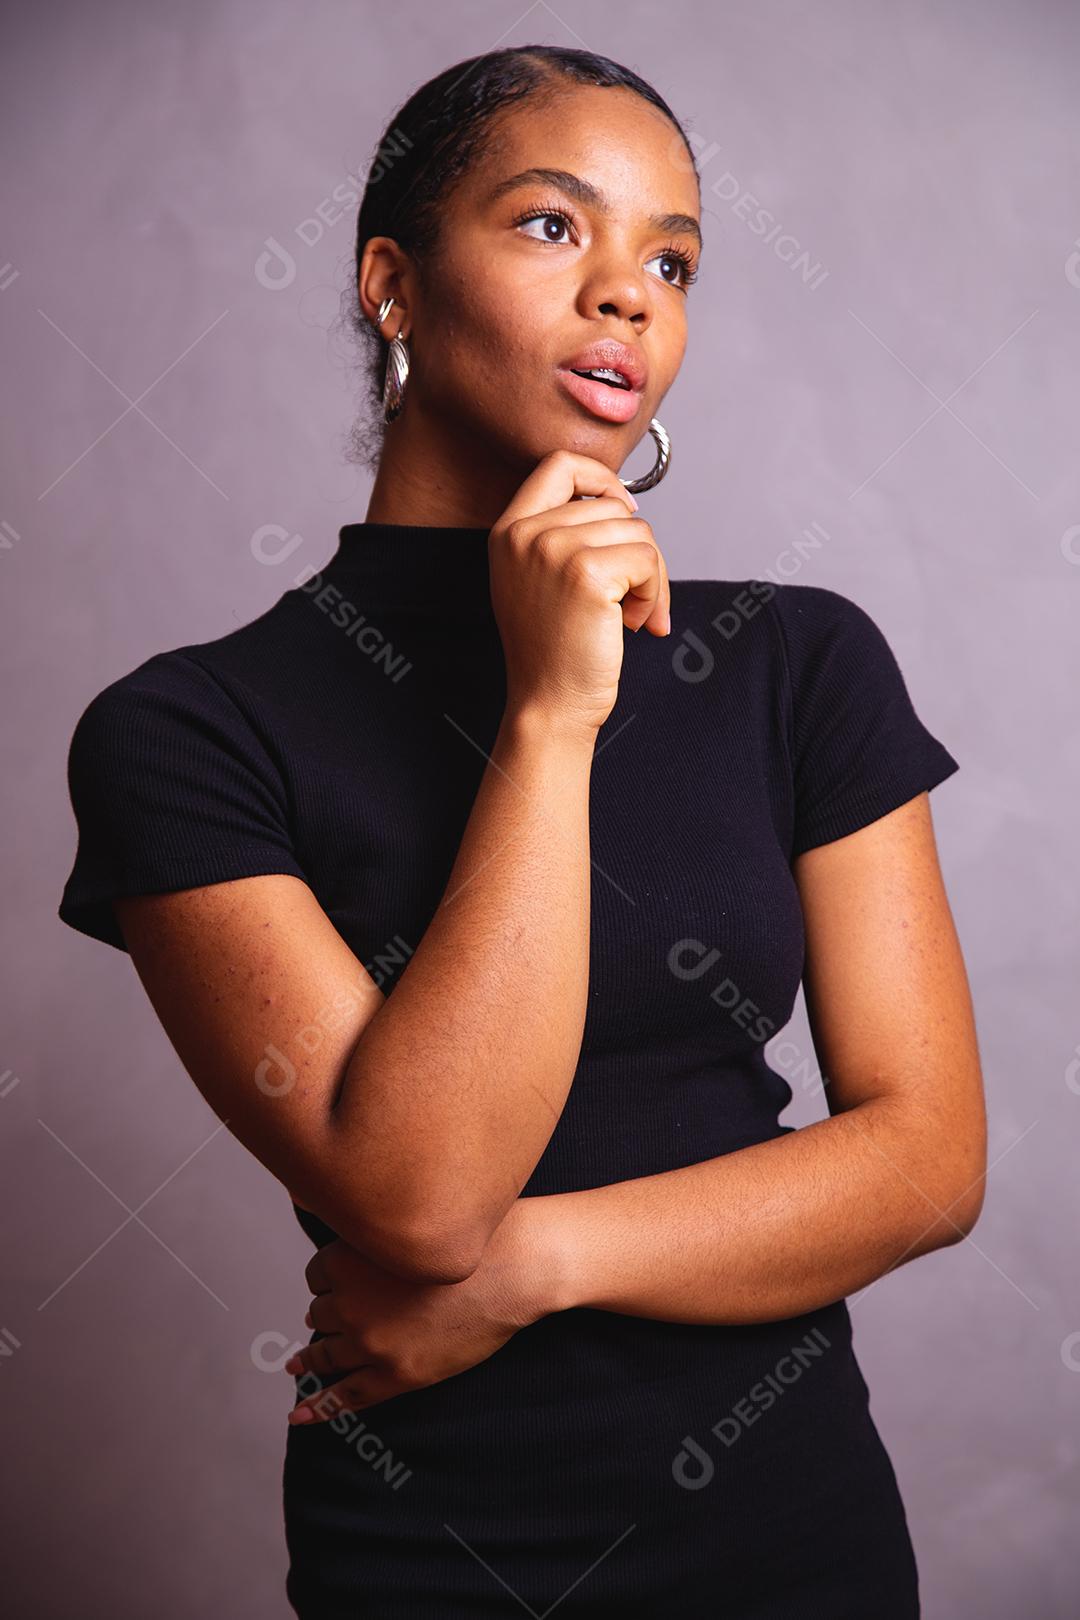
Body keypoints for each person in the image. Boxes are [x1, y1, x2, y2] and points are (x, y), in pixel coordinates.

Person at [57, 44, 986, 1619]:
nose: (628, 294)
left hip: (793, 1530)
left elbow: (924, 1160)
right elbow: (418, 1197)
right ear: (392, 288)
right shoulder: (187, 730)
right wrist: (553, 714)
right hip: (441, 1555)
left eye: (671, 259)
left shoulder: (796, 662)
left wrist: (525, 1272)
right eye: (556, 227)